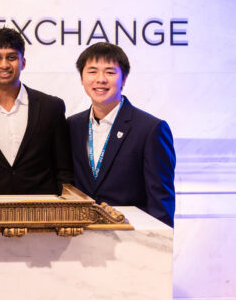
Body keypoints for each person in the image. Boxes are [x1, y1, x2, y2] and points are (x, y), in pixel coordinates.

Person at [67, 42, 176, 226]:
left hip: (132, 235)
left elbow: (161, 201)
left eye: (110, 72)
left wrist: (158, 238)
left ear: (124, 79)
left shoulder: (151, 129)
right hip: (80, 235)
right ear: (82, 78)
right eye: (92, 71)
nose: (100, 79)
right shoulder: (71, 125)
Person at [0, 27, 73, 195]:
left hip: (44, 208)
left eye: (11, 57)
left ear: (23, 62)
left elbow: (64, 170)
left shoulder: (51, 107)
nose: (4, 65)